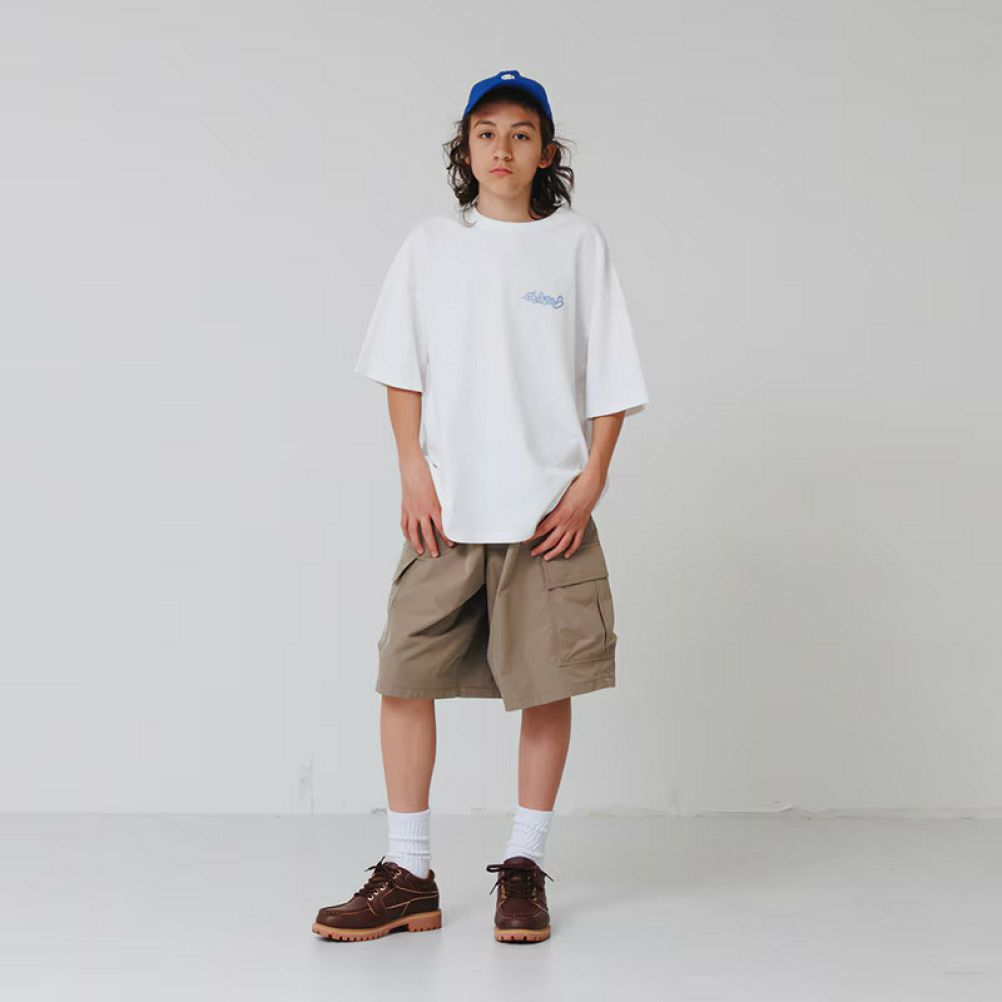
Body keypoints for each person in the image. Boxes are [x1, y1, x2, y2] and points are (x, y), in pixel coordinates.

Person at [312, 69, 649, 945]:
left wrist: (592, 481)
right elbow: (401, 364)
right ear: (465, 150)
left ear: (547, 151)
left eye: (521, 133)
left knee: (548, 684)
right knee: (403, 674)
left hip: (548, 515)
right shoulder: (432, 245)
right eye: (486, 132)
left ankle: (524, 865)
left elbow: (612, 374)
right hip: (449, 507)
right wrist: (411, 471)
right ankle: (408, 873)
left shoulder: (576, 245)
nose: (503, 148)